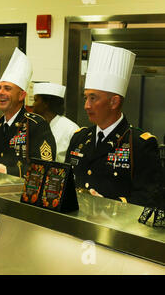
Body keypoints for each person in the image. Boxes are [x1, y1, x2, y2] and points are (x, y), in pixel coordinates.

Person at [65, 42, 162, 207]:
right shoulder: (79, 138)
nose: (86, 105)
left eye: (93, 98)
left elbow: (151, 198)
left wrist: (109, 206)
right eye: (86, 97)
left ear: (114, 102)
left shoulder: (140, 144)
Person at [0, 48, 56, 177]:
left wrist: (9, 171)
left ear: (21, 95)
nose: (1, 93)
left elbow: (45, 168)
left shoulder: (36, 125)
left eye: (7, 88)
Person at [32, 82, 80, 163]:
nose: (33, 104)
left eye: (36, 100)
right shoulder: (35, 125)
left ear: (45, 103)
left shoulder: (71, 129)